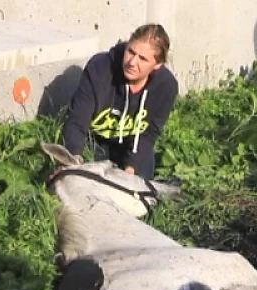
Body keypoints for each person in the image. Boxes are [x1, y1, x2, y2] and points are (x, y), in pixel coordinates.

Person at [61, 23, 178, 180]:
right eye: (131, 52)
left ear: (157, 65)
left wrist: (132, 167)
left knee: (138, 188)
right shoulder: (100, 68)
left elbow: (149, 133)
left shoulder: (166, 86)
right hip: (95, 141)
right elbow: (76, 121)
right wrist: (74, 156)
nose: (132, 62)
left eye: (143, 59)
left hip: (132, 143)